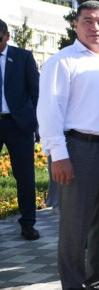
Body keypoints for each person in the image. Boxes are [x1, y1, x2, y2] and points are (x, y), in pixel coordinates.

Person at [37, 0, 99, 290]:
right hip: (78, 149)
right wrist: (57, 155)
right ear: (76, 25)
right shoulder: (62, 61)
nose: (95, 27)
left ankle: (98, 283)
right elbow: (49, 110)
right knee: (74, 227)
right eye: (87, 21)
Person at [0, 18, 39, 240]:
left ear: (7, 36)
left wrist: (38, 124)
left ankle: (28, 224)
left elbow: (36, 91)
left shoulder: (23, 57)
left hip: (19, 125)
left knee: (24, 176)